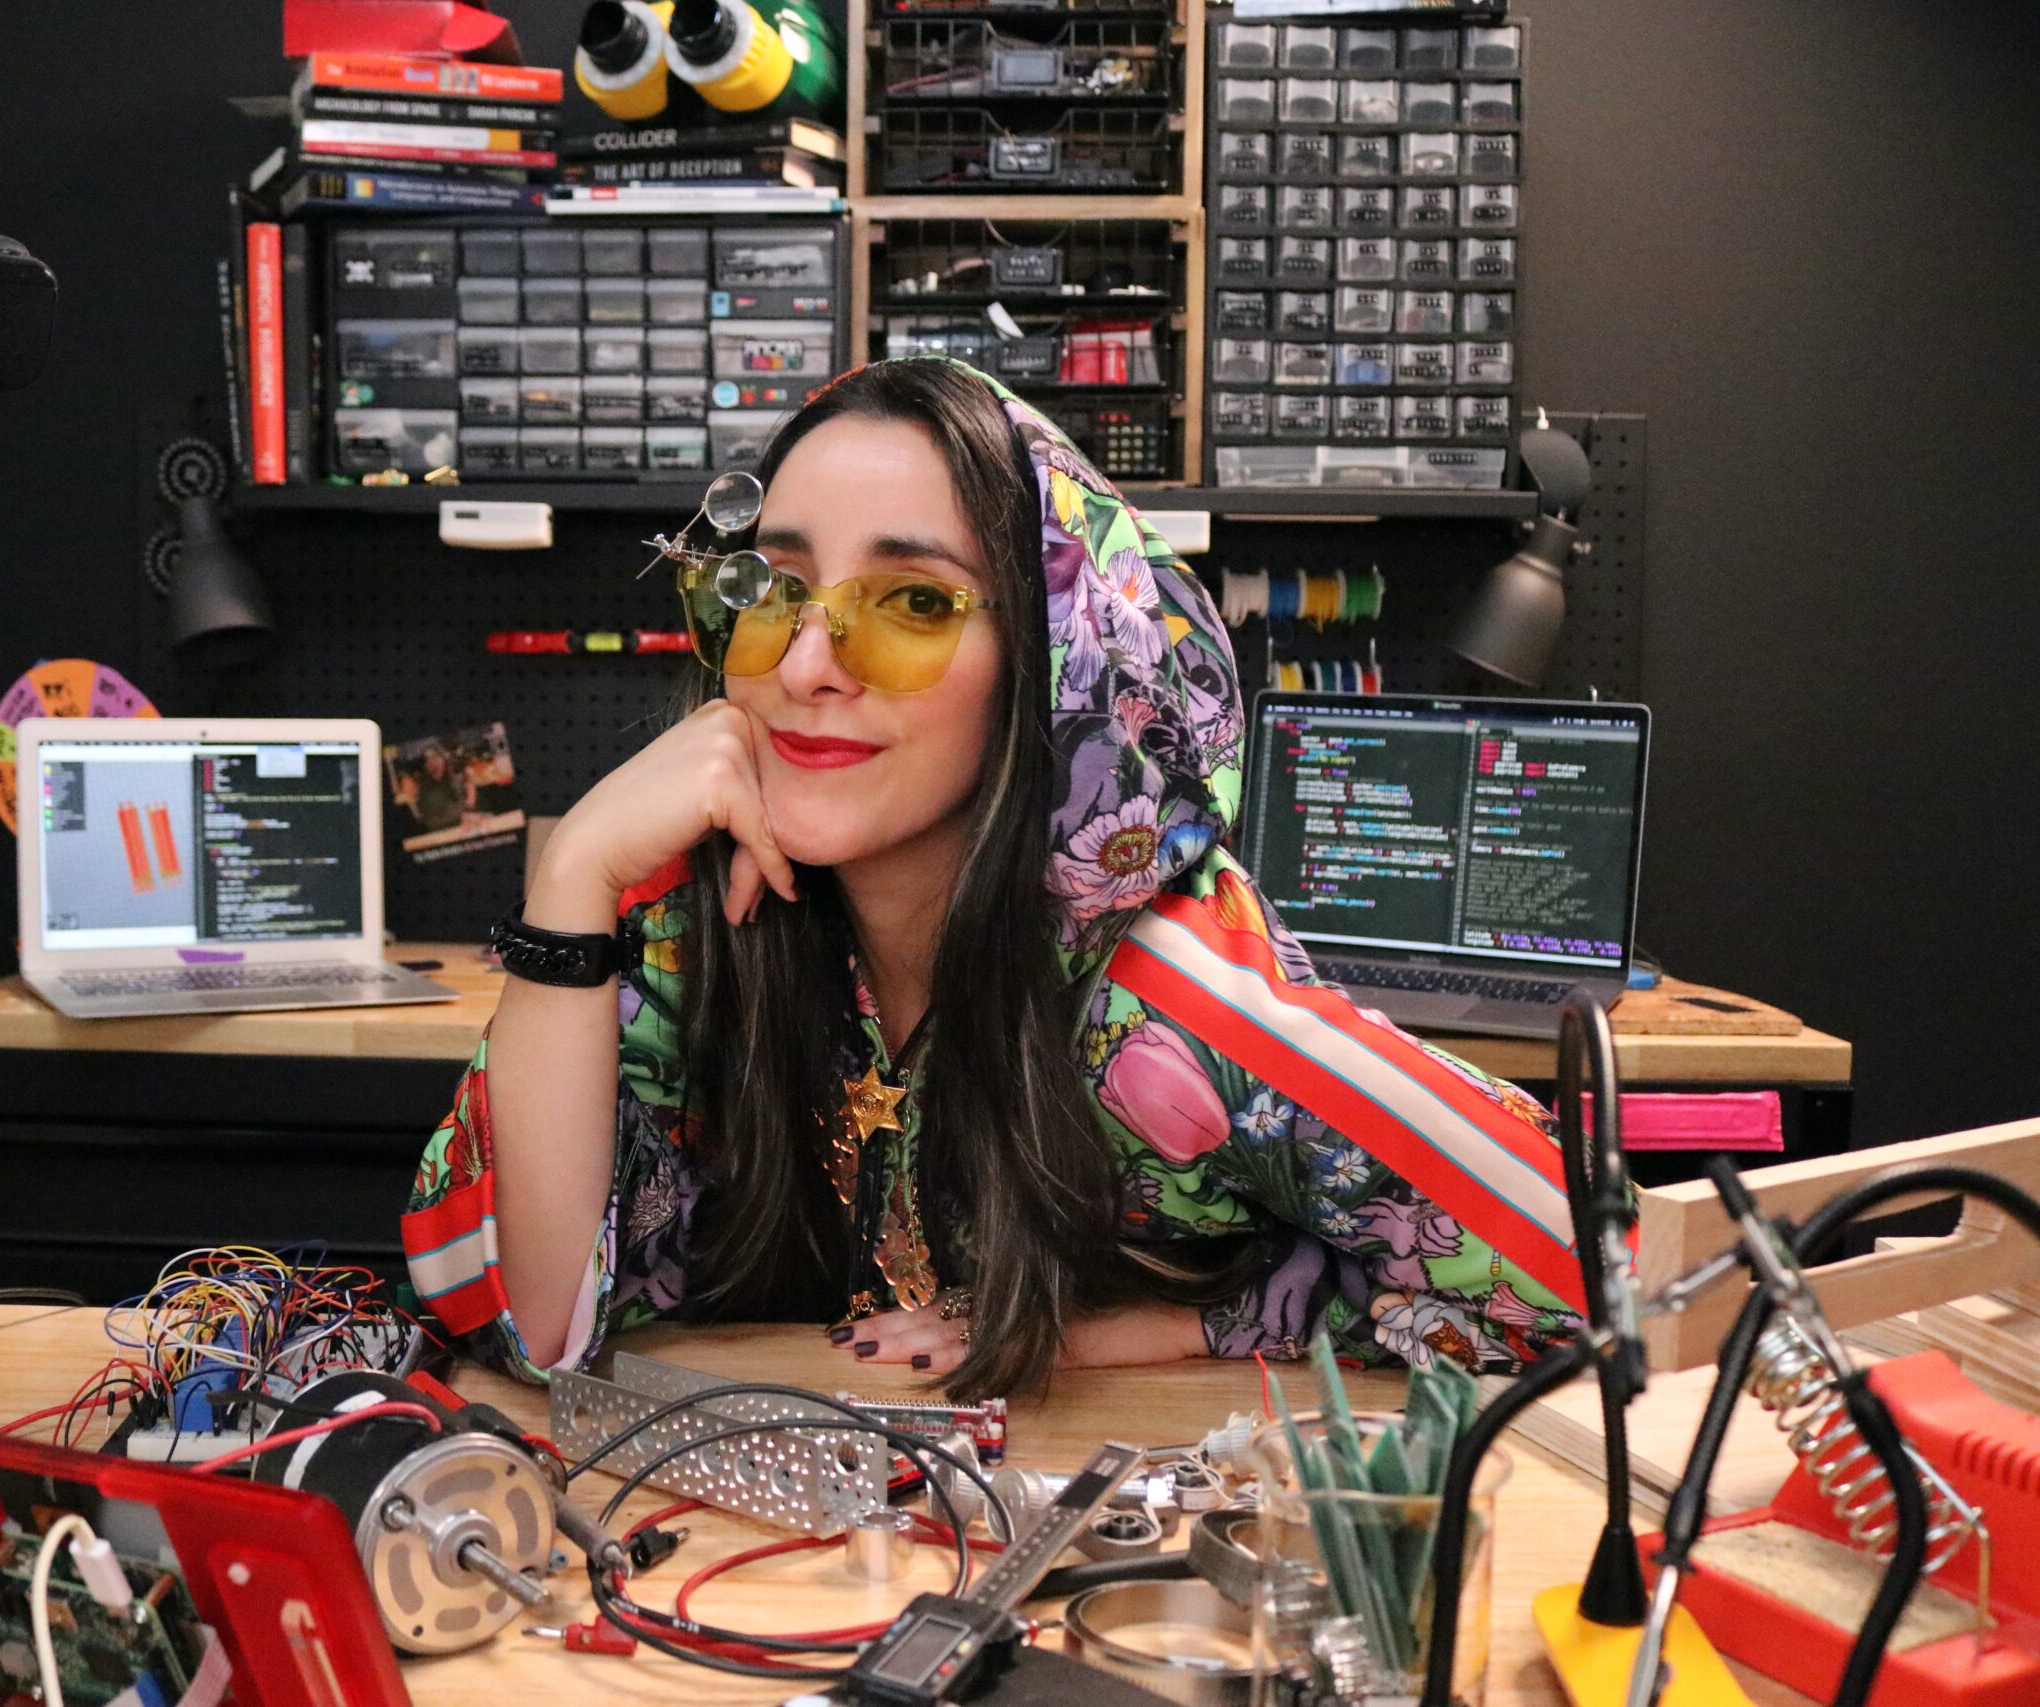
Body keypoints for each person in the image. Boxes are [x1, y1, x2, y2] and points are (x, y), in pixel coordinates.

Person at [403, 357, 1588, 1400]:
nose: (809, 663)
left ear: (1055, 660)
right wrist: (571, 878)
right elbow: (519, 1323)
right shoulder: (686, 925)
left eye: (912, 602)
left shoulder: (1171, 1001)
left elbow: (1588, 1274)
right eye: (772, 591)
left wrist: (1204, 1322)